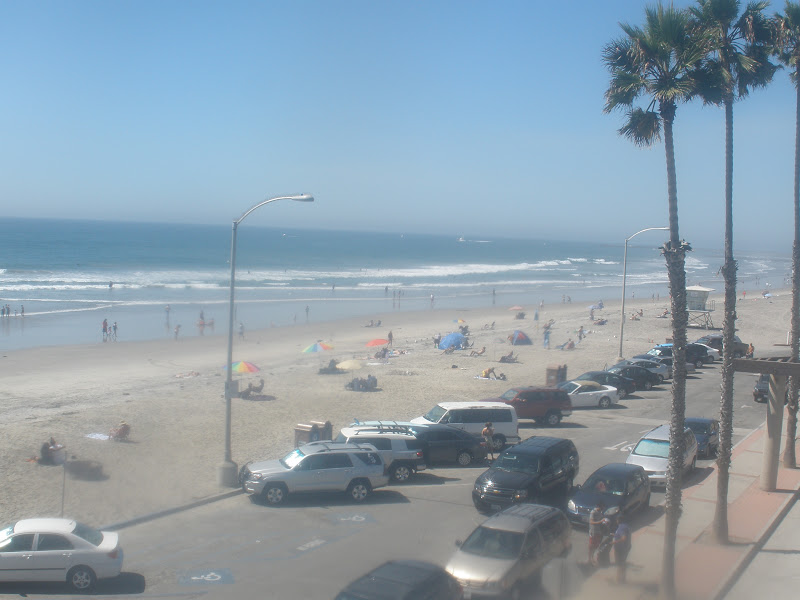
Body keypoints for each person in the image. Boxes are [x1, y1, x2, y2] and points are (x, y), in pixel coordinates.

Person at [612, 517, 632, 583]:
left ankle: (618, 580)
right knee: (623, 563)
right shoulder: (625, 526)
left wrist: (614, 542)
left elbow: (623, 538)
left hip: (620, 548)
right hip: (626, 547)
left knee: (619, 564)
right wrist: (615, 535)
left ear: (618, 521)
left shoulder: (621, 528)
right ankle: (623, 579)